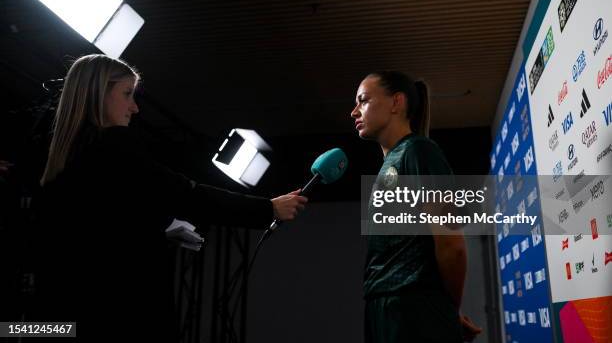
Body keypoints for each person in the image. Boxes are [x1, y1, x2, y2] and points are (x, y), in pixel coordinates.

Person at [34, 54, 307, 341]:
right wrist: (268, 209)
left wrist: (155, 226)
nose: (135, 108)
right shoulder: (113, 147)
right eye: (127, 94)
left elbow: (99, 226)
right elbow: (186, 194)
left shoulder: (57, 160)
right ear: (98, 93)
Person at [351, 71, 482, 342]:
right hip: (383, 309)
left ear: (396, 103)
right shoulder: (391, 163)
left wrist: (449, 312)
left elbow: (452, 246)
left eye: (363, 100)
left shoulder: (419, 151)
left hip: (414, 311)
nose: (354, 111)